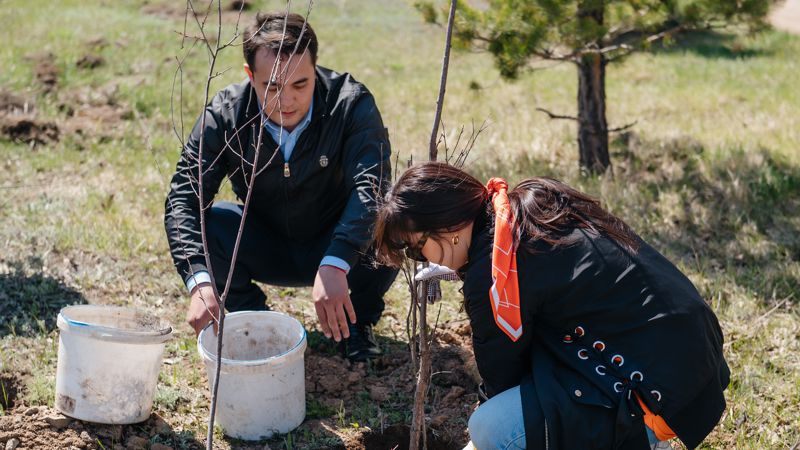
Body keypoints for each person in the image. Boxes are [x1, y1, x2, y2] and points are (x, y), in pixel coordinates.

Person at [373, 162, 730, 449]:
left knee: (490, 427)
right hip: (693, 358)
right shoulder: (528, 203)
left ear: (447, 226)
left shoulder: (494, 276)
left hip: (660, 393)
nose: (420, 259)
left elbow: (502, 379)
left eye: (417, 248)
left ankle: (641, 437)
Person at [164, 12, 398, 361]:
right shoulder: (227, 115)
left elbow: (371, 186)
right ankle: (254, 320)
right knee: (211, 224)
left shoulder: (350, 104)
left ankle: (355, 325)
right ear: (250, 76)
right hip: (266, 239)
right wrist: (198, 282)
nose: (286, 101)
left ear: (316, 69)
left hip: (339, 244)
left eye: (300, 85)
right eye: (271, 86)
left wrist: (337, 259)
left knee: (390, 221)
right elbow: (185, 196)